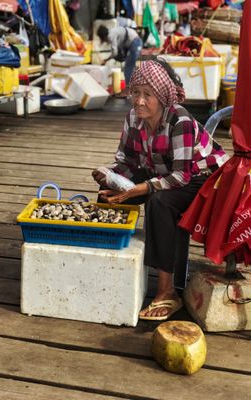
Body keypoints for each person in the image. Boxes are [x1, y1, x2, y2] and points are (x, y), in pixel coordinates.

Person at [92, 58, 229, 321]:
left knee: (158, 201)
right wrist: (109, 174)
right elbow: (127, 161)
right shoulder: (134, 117)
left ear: (162, 96)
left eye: (148, 95)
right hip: (161, 172)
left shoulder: (180, 120)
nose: (139, 101)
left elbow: (182, 175)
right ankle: (111, 266)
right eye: (135, 93)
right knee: (106, 191)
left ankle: (167, 291)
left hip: (203, 180)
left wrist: (140, 189)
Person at [96, 25, 143, 94]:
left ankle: (128, 90)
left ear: (103, 36)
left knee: (128, 66)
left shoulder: (111, 35)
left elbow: (115, 52)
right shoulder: (113, 32)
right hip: (133, 43)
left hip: (135, 43)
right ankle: (133, 88)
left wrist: (106, 60)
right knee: (130, 66)